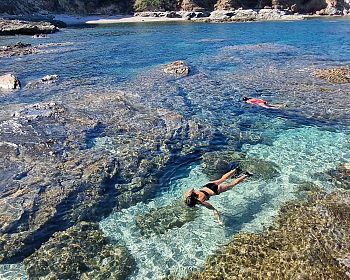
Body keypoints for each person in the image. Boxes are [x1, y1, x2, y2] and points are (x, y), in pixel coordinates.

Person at [184, 168, 252, 225]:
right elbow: (191, 188)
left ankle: (246, 174)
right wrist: (190, 195)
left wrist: (219, 220)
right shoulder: (188, 195)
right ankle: (235, 169)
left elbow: (214, 209)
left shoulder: (201, 202)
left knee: (232, 184)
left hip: (216, 190)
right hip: (208, 185)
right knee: (223, 179)